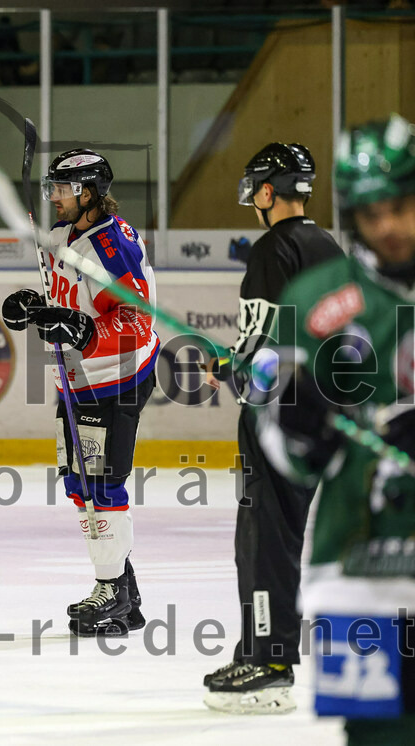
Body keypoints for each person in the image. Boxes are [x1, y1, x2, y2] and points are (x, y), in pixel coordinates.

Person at [256, 114, 415, 744]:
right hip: (359, 567)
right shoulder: (317, 299)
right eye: (372, 213)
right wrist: (298, 426)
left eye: (400, 206)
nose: (388, 226)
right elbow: (283, 446)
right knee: (376, 738)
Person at [203, 143, 342, 714]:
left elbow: (261, 347)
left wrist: (232, 368)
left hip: (277, 419)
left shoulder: (272, 250)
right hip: (322, 415)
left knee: (264, 539)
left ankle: (268, 662)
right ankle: (263, 650)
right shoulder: (329, 246)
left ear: (267, 190)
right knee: (283, 536)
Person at [2, 149, 157, 637]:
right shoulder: (60, 235)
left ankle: (111, 591)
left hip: (118, 376)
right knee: (79, 483)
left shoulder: (112, 246)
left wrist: (84, 331)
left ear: (89, 193)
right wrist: (36, 306)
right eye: (51, 188)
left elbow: (137, 319)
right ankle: (124, 594)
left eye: (63, 189)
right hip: (77, 378)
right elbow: (67, 300)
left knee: (101, 484)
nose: (54, 196)